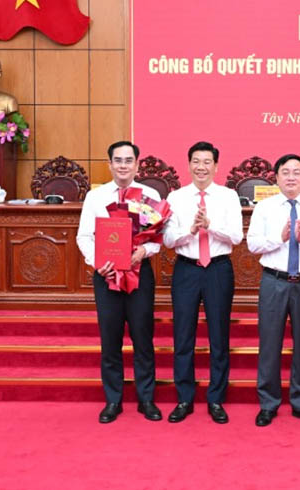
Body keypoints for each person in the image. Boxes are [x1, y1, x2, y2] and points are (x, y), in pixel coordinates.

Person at [75, 141, 162, 423]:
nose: (123, 165)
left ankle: (146, 399)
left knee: (143, 337)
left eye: (128, 160)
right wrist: (98, 262)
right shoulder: (95, 197)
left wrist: (144, 251)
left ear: (137, 164)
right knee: (110, 339)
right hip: (107, 275)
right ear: (110, 164)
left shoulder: (149, 195)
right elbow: (84, 236)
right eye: (118, 160)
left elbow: (158, 236)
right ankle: (113, 400)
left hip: (140, 274)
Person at [247, 154, 300, 427]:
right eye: (286, 172)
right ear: (276, 176)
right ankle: (268, 404)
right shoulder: (264, 207)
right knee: (269, 345)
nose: (291, 177)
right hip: (274, 282)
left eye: (297, 172)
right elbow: (253, 244)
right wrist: (280, 239)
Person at [163, 141, 243, 424]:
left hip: (218, 270)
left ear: (216, 166)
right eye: (196, 161)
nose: (201, 167)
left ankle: (216, 399)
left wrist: (211, 226)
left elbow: (236, 237)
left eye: (207, 162)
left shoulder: (228, 196)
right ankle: (184, 397)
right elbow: (168, 240)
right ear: (188, 165)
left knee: (219, 337)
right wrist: (191, 230)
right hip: (187, 270)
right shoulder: (175, 197)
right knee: (183, 336)